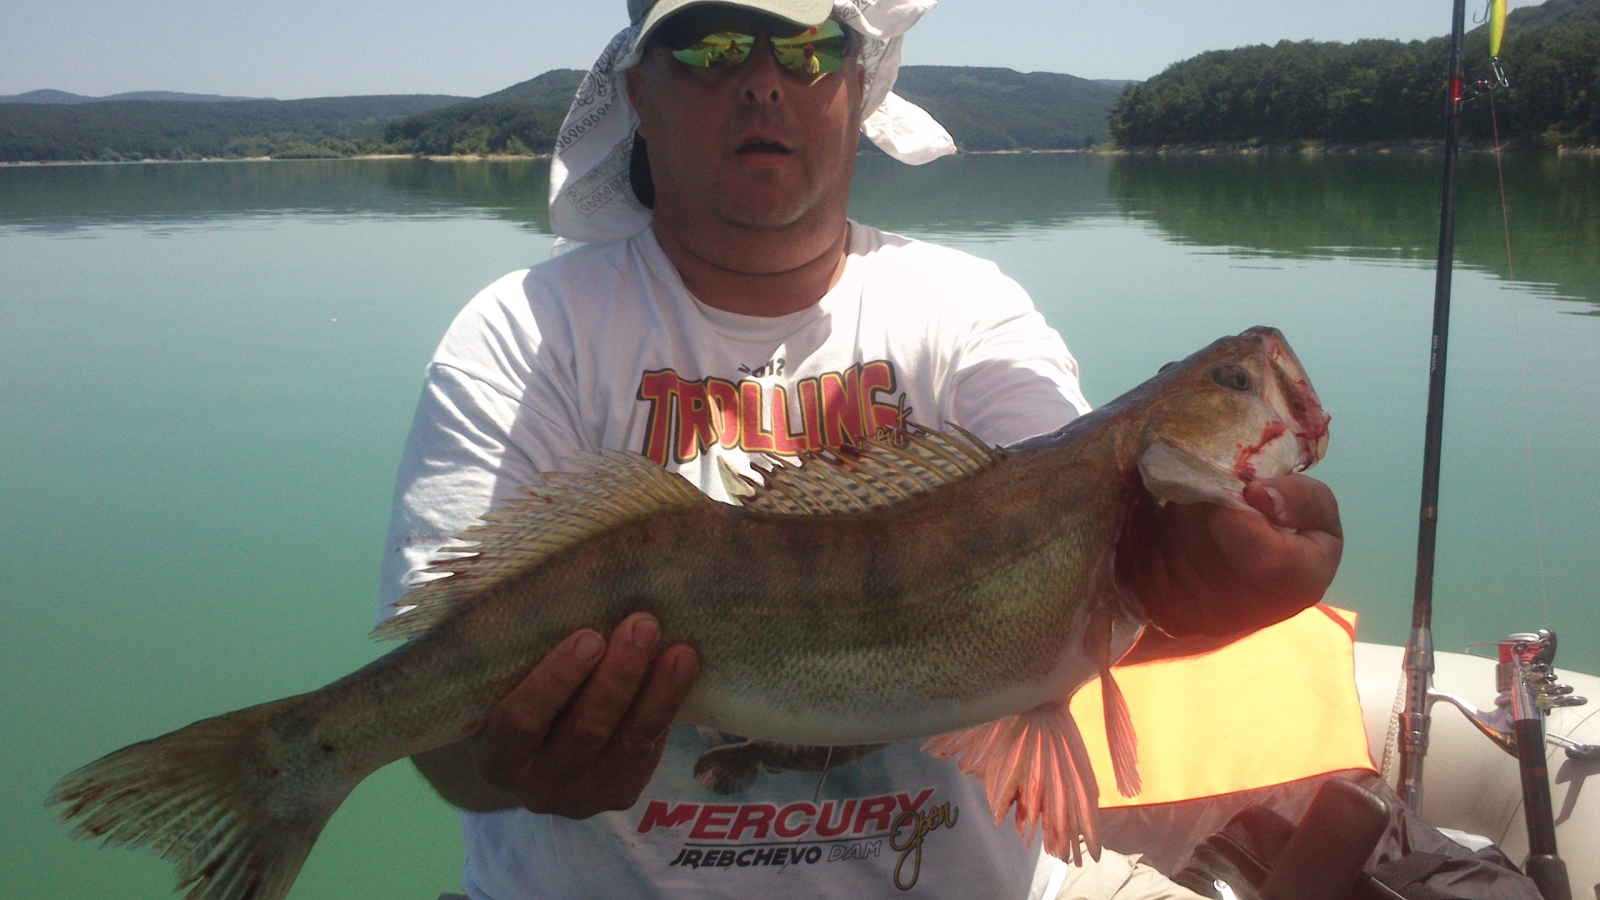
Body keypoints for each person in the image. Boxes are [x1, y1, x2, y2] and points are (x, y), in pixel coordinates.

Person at [378, 1, 1343, 897]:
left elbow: (1057, 551)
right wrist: (496, 760)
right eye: (713, 46)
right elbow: (441, 737)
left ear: (858, 79)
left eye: (807, 48)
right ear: (639, 90)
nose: (763, 83)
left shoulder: (969, 313)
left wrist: (1188, 596)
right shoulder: (526, 335)